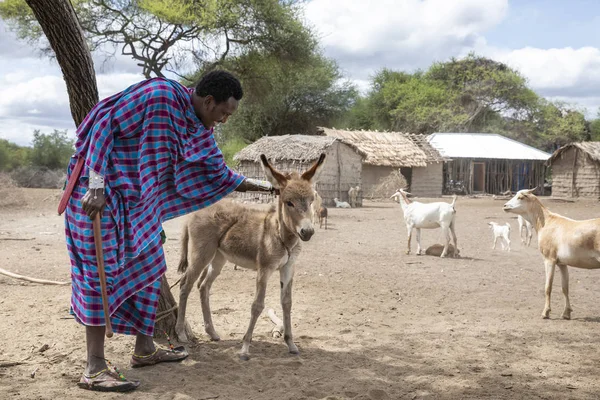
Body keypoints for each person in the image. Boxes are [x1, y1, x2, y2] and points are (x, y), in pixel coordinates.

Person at [63, 70, 272, 392]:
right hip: (99, 200)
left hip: (139, 206)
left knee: (150, 269)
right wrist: (96, 184)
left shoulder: (199, 127)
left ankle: (144, 349)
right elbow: (103, 123)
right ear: (208, 101)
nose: (224, 120)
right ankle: (94, 367)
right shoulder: (159, 97)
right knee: (98, 277)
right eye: (223, 113)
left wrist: (270, 187)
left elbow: (216, 169)